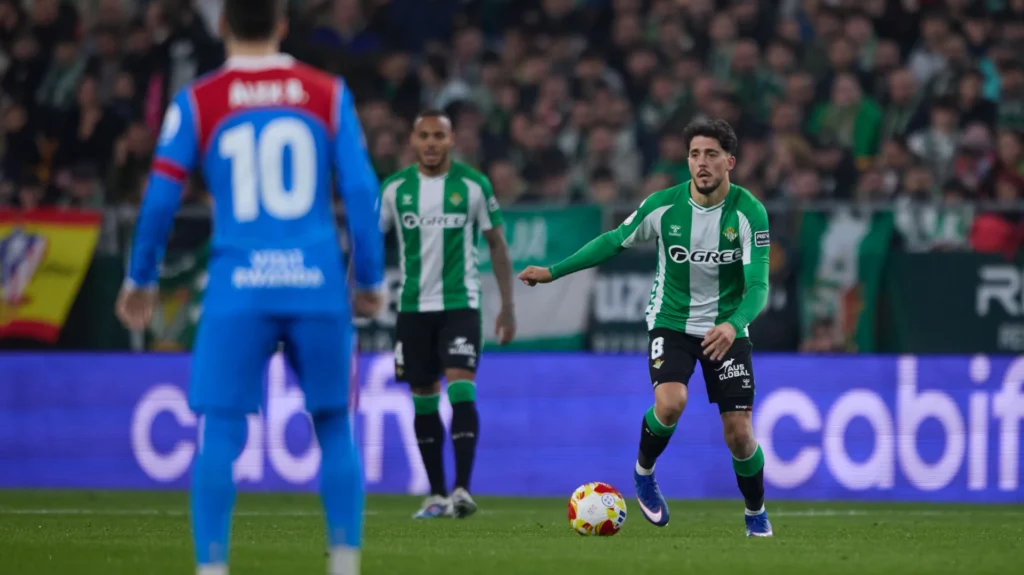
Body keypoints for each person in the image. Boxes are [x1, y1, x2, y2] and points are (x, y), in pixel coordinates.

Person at [114, 1, 383, 573]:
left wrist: (141, 277)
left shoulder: (199, 101)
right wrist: (368, 279)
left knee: (220, 431)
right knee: (335, 426)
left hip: (239, 286)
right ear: (282, 25)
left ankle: (212, 568)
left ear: (221, 26)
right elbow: (361, 192)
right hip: (316, 283)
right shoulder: (327, 93)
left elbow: (159, 200)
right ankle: (344, 565)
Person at [519, 119, 773, 537]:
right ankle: (644, 473)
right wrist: (553, 271)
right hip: (671, 322)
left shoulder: (749, 212)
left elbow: (759, 285)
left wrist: (734, 324)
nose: (701, 163)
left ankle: (755, 512)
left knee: (740, 434)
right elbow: (613, 240)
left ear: (730, 162)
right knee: (671, 403)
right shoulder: (663, 206)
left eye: (711, 154)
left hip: (726, 328)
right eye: (694, 154)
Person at [379, 110, 517, 519]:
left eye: (438, 136)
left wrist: (508, 306)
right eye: (423, 135)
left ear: (452, 140)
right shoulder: (394, 189)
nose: (431, 143)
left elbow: (497, 244)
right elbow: (368, 242)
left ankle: (462, 489)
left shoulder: (474, 185)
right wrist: (356, 290)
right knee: (423, 398)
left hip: (460, 304)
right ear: (413, 140)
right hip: (412, 308)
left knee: (460, 388)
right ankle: (437, 494)